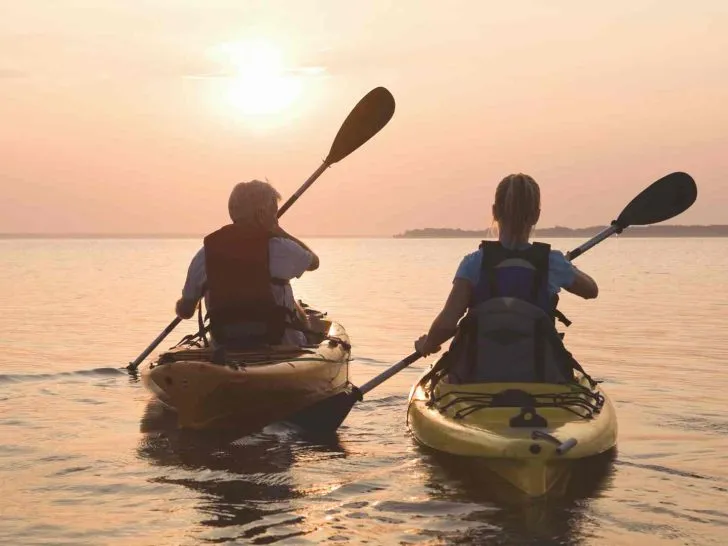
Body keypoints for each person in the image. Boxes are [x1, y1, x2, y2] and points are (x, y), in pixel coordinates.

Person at [414, 173, 599, 383]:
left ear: (495, 211)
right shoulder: (552, 263)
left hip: (477, 376)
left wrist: (428, 344)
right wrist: (567, 267)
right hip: (538, 376)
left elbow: (447, 324)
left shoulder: (473, 263)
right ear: (536, 216)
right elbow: (591, 290)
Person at [175, 180, 319, 348]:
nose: (276, 218)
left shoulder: (205, 253)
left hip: (225, 346)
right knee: (301, 313)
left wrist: (188, 300)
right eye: (274, 212)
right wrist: (279, 231)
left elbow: (185, 312)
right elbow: (314, 262)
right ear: (262, 213)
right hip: (280, 345)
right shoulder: (281, 247)